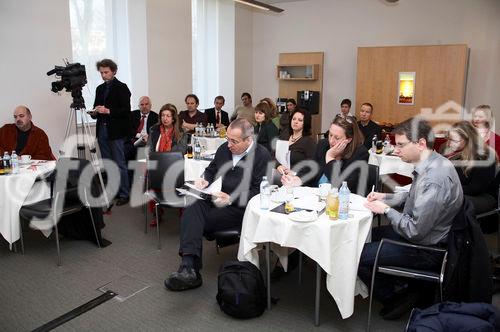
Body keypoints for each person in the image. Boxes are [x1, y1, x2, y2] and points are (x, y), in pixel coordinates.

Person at [359, 117, 463, 320]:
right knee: (363, 235)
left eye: (401, 145)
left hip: (426, 248)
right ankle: (403, 286)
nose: (396, 150)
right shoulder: (434, 162)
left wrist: (386, 211)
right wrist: (386, 198)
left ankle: (396, 296)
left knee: (355, 253)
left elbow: (415, 231)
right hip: (422, 235)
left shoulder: (434, 179)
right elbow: (413, 196)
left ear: (421, 143)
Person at [164, 119, 272, 291]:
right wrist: (204, 180)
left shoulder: (262, 156)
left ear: (248, 139)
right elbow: (212, 169)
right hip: (219, 199)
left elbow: (259, 192)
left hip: (241, 208)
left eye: (234, 141)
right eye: (227, 139)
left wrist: (231, 198)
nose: (228, 144)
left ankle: (190, 269)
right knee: (193, 206)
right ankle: (188, 266)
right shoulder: (224, 149)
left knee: (195, 220)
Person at [282, 116, 369, 193]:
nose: (331, 141)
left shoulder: (360, 154)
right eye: (330, 135)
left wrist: (330, 158)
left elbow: (341, 187)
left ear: (349, 140)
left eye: (337, 138)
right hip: (317, 197)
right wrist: (298, 179)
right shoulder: (323, 144)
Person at [441, 121, 497, 230]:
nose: (449, 143)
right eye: (449, 139)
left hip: (483, 197)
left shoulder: (484, 157)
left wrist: (447, 189)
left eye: (453, 140)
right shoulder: (454, 154)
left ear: (468, 140)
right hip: (461, 192)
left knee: (444, 201)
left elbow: (475, 189)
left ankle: (450, 239)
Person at [146, 103, 189, 227]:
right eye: (163, 115)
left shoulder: (181, 132)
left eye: (168, 116)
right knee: (150, 178)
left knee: (182, 181)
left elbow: (180, 151)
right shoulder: (154, 129)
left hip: (174, 165)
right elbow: (149, 149)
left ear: (174, 118)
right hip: (156, 165)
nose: (165, 118)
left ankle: (183, 212)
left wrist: (163, 159)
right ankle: (156, 213)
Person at [276, 108, 316, 182]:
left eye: (300, 120)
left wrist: (295, 173)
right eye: (294, 119)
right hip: (279, 176)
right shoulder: (284, 136)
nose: (295, 122)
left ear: (305, 123)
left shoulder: (309, 142)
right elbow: (273, 155)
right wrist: (278, 165)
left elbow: (312, 165)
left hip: (296, 179)